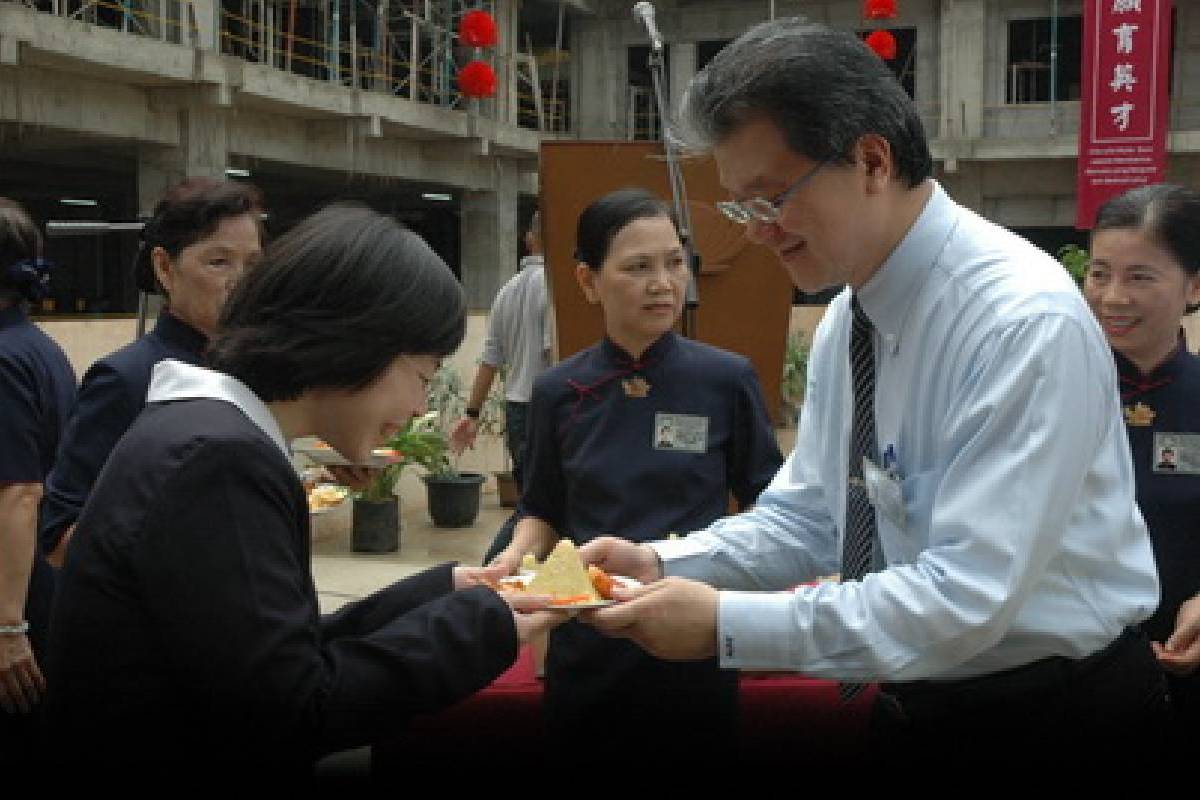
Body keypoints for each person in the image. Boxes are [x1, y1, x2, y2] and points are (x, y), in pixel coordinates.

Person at [581, 20, 1165, 763]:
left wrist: (727, 623)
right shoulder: (851, 318)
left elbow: (966, 596)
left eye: (770, 200)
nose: (758, 233)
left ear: (871, 160)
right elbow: (815, 518)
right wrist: (666, 565)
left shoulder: (1019, 322)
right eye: (740, 208)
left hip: (1055, 720)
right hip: (916, 700)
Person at [42, 204, 561, 775]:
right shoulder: (219, 461)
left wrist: (446, 591)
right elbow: (292, 709)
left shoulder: (208, 433)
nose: (418, 408)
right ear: (355, 343)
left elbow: (277, 654)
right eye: (423, 375)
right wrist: (485, 628)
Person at [496, 188, 783, 760]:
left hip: (691, 640)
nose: (663, 283)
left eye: (675, 263)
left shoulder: (724, 381)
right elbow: (543, 507)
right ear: (587, 281)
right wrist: (508, 563)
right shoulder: (559, 391)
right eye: (638, 267)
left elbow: (769, 504)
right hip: (589, 639)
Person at [38, 177, 263, 566]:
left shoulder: (256, 372)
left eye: (253, 265)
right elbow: (59, 534)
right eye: (218, 262)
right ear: (164, 266)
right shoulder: (127, 378)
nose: (240, 282)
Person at [1083, 183, 1200, 728]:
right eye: (1100, 273)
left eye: (1139, 277)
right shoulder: (1049, 392)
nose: (1112, 297)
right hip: (1069, 679)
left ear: (1194, 286)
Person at [0, 199, 75, 764]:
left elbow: (20, 493)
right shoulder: (38, 347)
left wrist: (8, 628)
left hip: (14, 603)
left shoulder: (3, 358)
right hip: (38, 591)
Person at [449, 211, 551, 565]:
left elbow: (490, 359)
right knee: (540, 508)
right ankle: (498, 570)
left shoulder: (506, 291)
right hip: (548, 408)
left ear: (529, 239)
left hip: (517, 409)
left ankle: (506, 570)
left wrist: (471, 414)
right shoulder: (555, 288)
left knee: (530, 501)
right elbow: (556, 355)